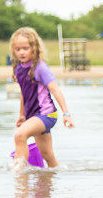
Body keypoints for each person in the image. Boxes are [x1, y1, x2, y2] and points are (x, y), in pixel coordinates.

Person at [10, 27, 74, 169]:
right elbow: (23, 93)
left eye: (25, 48)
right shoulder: (18, 69)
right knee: (48, 156)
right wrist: (22, 114)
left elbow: (55, 90)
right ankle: (53, 180)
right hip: (33, 116)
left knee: (20, 135)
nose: (21, 52)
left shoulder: (40, 68)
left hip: (46, 115)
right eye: (17, 49)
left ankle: (19, 177)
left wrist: (66, 114)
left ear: (34, 48)